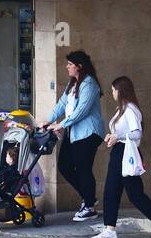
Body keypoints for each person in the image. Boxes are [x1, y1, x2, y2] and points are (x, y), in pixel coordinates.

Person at [91, 76, 151, 238]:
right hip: (119, 151)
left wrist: (118, 136)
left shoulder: (130, 109)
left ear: (120, 90)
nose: (112, 92)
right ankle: (109, 229)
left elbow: (137, 133)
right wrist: (112, 137)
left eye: (113, 89)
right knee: (111, 191)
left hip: (126, 153)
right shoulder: (121, 109)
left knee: (135, 193)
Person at [44, 50, 106, 222]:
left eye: (70, 64)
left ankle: (89, 206)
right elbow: (62, 104)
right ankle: (89, 198)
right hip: (74, 133)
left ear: (79, 66)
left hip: (89, 133)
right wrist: (48, 121)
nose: (67, 67)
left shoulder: (90, 84)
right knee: (64, 165)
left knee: (83, 168)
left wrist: (61, 124)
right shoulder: (72, 84)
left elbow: (82, 111)